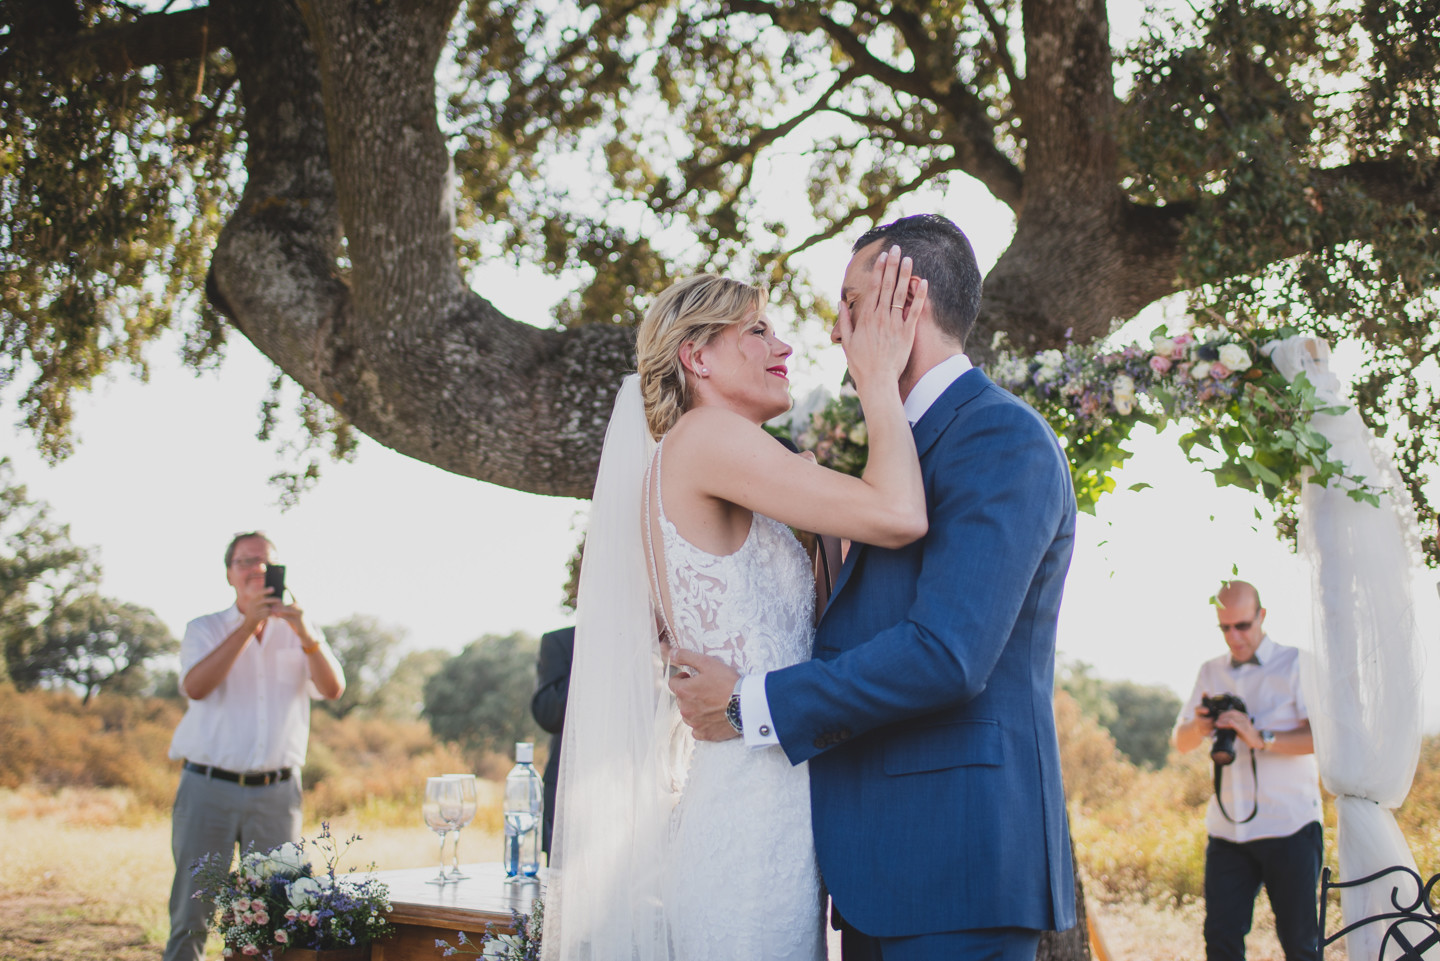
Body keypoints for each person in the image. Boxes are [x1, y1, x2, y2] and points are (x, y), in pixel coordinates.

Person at [670, 213, 1079, 961]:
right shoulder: (897, 448)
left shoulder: (999, 436)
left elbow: (947, 653)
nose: (832, 332)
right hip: (871, 875)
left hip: (955, 870)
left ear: (905, 303)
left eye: (851, 305)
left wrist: (747, 701)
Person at [542, 249, 930, 961]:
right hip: (752, 820)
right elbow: (901, 513)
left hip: (770, 800)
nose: (784, 347)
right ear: (697, 356)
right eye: (757, 330)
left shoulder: (722, 456)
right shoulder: (706, 438)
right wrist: (878, 378)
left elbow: (817, 628)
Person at [162, 532, 345, 961]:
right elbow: (196, 687)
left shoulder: (301, 629)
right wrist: (248, 627)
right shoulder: (204, 628)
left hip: (277, 793)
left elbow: (333, 689)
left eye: (266, 563)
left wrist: (301, 627)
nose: (257, 570)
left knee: (271, 919)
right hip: (208, 788)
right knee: (192, 912)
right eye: (246, 561)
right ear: (230, 574)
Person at [1172, 580, 1322, 961]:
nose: (1234, 637)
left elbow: (1321, 740)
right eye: (1225, 628)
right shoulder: (1210, 671)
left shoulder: (1296, 664)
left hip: (1289, 825)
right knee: (1220, 943)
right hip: (1227, 830)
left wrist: (1260, 737)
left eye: (1242, 625)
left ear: (1262, 616)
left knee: (1300, 945)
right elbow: (1181, 740)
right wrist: (1202, 727)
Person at [530, 625, 574, 859]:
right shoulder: (560, 641)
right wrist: (594, 654)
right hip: (568, 795)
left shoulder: (661, 642)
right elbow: (549, 716)